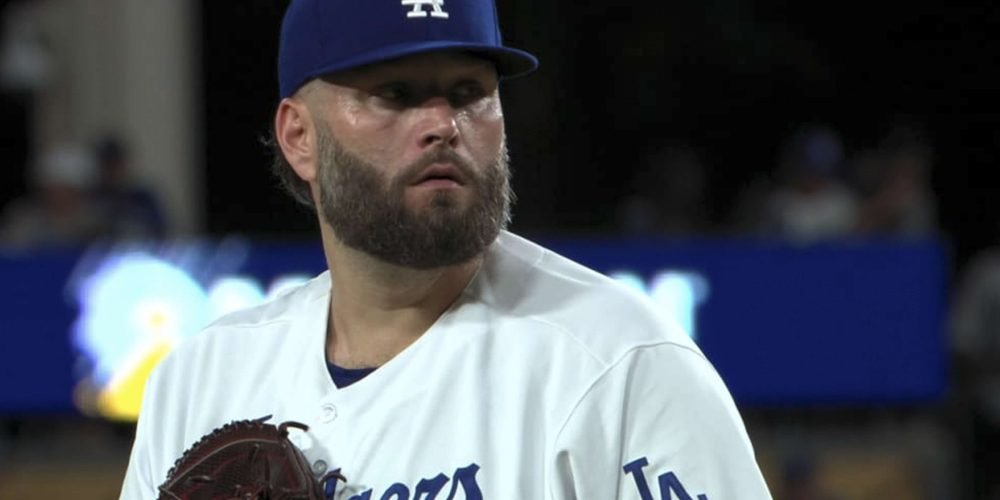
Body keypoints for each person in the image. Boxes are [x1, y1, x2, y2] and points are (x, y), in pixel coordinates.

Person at [120, 1, 771, 498]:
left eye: (469, 94)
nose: (442, 125)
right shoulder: (200, 381)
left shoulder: (621, 368)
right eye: (394, 95)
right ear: (299, 137)